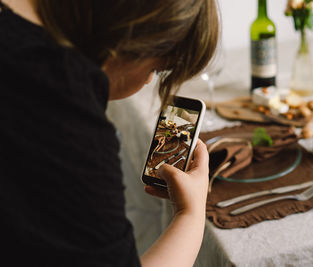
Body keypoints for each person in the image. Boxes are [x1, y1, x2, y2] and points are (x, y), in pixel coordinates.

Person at [0, 0, 218, 266]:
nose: (150, 80)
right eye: (157, 68)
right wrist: (190, 213)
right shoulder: (67, 118)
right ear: (133, 38)